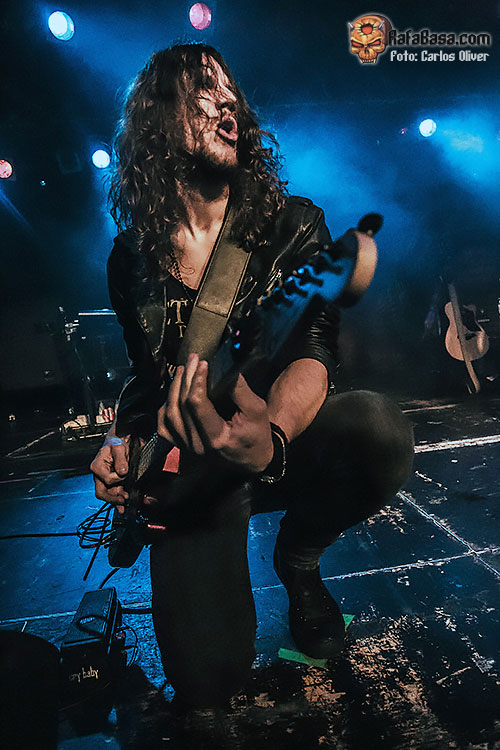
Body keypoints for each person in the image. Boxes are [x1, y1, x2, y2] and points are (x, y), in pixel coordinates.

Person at [90, 42, 414, 738]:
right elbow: (145, 378)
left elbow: (313, 350)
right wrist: (119, 440)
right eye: (203, 90)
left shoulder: (291, 227)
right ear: (158, 119)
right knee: (206, 683)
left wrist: (272, 436)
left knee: (379, 431)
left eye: (231, 91)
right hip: (196, 471)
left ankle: (299, 561)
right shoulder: (131, 257)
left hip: (275, 440)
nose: (227, 102)